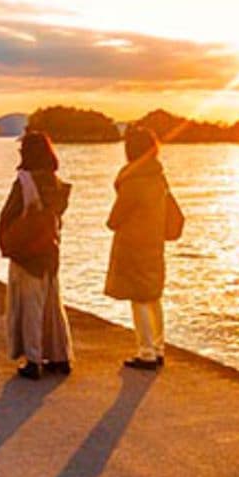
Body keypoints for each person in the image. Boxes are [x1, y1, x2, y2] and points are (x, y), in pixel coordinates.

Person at [0, 130, 74, 380]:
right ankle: (61, 356)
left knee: (30, 307)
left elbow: (10, 213)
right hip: (50, 249)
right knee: (52, 304)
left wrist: (7, 238)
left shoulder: (25, 182)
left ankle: (33, 359)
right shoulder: (56, 183)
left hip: (27, 252)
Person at [105, 125, 171, 371]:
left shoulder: (133, 180)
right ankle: (159, 347)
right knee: (153, 296)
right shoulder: (158, 177)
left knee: (139, 299)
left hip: (133, 244)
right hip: (154, 242)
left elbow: (116, 218)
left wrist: (112, 222)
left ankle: (146, 352)